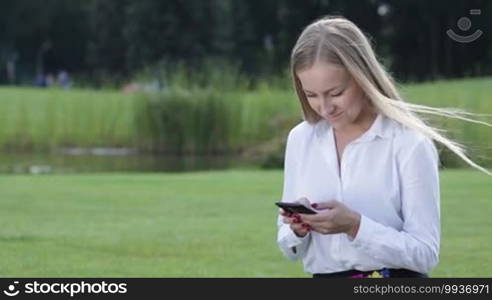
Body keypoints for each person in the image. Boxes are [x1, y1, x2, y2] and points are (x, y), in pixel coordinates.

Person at [276, 16, 491, 278]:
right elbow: (288, 247)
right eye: (311, 95)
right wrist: (298, 228)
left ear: (362, 78)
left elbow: (425, 254)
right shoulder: (301, 139)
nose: (324, 107)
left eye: (335, 93)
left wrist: (355, 226)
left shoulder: (409, 143)